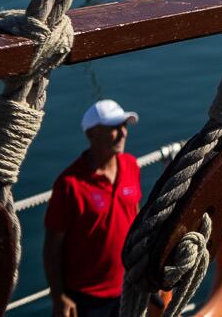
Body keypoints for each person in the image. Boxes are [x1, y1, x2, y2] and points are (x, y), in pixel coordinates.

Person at [45, 99, 143, 317]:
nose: (123, 133)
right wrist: (58, 296)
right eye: (114, 128)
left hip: (128, 287)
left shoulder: (131, 166)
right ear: (91, 135)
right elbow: (52, 247)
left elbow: (134, 216)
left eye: (124, 126)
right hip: (86, 298)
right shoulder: (70, 184)